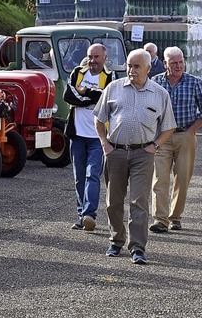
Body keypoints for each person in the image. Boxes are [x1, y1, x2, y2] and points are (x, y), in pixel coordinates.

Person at [93, 49, 176, 265]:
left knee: (139, 201)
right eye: (129, 65)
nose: (131, 70)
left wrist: (154, 146)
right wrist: (105, 144)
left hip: (143, 153)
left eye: (137, 66)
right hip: (116, 152)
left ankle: (138, 247)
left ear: (148, 69)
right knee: (114, 201)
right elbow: (99, 119)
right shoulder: (114, 88)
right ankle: (116, 240)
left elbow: (168, 127)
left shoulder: (160, 94)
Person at [150, 46, 202, 233]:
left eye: (181, 62)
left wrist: (191, 131)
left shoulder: (194, 82)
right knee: (159, 179)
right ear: (165, 64)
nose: (179, 66)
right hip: (161, 137)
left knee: (182, 179)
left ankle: (175, 217)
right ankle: (160, 219)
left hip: (185, 135)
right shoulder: (155, 83)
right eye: (174, 63)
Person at [63, 44, 114, 231]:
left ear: (104, 58)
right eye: (90, 56)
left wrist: (84, 94)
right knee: (79, 178)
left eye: (96, 57)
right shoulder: (78, 72)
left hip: (97, 136)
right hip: (77, 134)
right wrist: (89, 97)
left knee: (92, 174)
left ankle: (89, 215)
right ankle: (81, 215)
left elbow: (105, 99)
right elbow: (68, 96)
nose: (93, 61)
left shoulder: (110, 76)